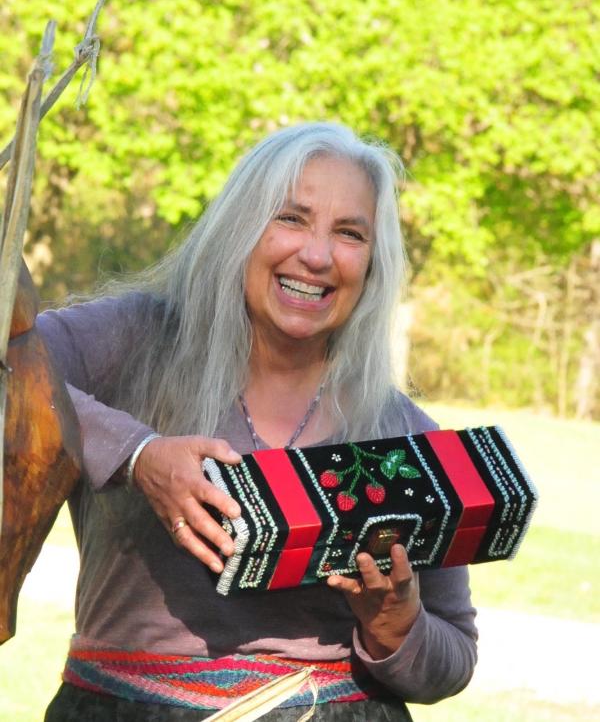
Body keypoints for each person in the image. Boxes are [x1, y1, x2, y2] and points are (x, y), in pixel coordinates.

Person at [40, 122, 477, 721]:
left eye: (349, 233)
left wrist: (396, 626)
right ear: (239, 226)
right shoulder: (132, 340)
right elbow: (12, 371)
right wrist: (138, 455)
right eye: (290, 218)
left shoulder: (407, 439)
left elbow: (454, 654)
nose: (318, 256)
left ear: (373, 264)